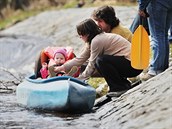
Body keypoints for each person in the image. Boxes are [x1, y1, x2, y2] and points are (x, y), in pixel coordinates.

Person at [54, 19, 142, 96]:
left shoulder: (97, 40)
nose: (80, 37)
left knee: (100, 61)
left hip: (134, 65)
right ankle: (123, 84)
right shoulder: (92, 41)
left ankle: (118, 87)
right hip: (130, 64)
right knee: (96, 62)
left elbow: (92, 63)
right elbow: (80, 59)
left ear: (87, 33)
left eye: (81, 34)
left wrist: (80, 79)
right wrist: (61, 68)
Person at [137, 0, 172, 81]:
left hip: (157, 3)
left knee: (157, 36)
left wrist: (141, 7)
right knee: (164, 35)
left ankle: (156, 69)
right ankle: (163, 65)